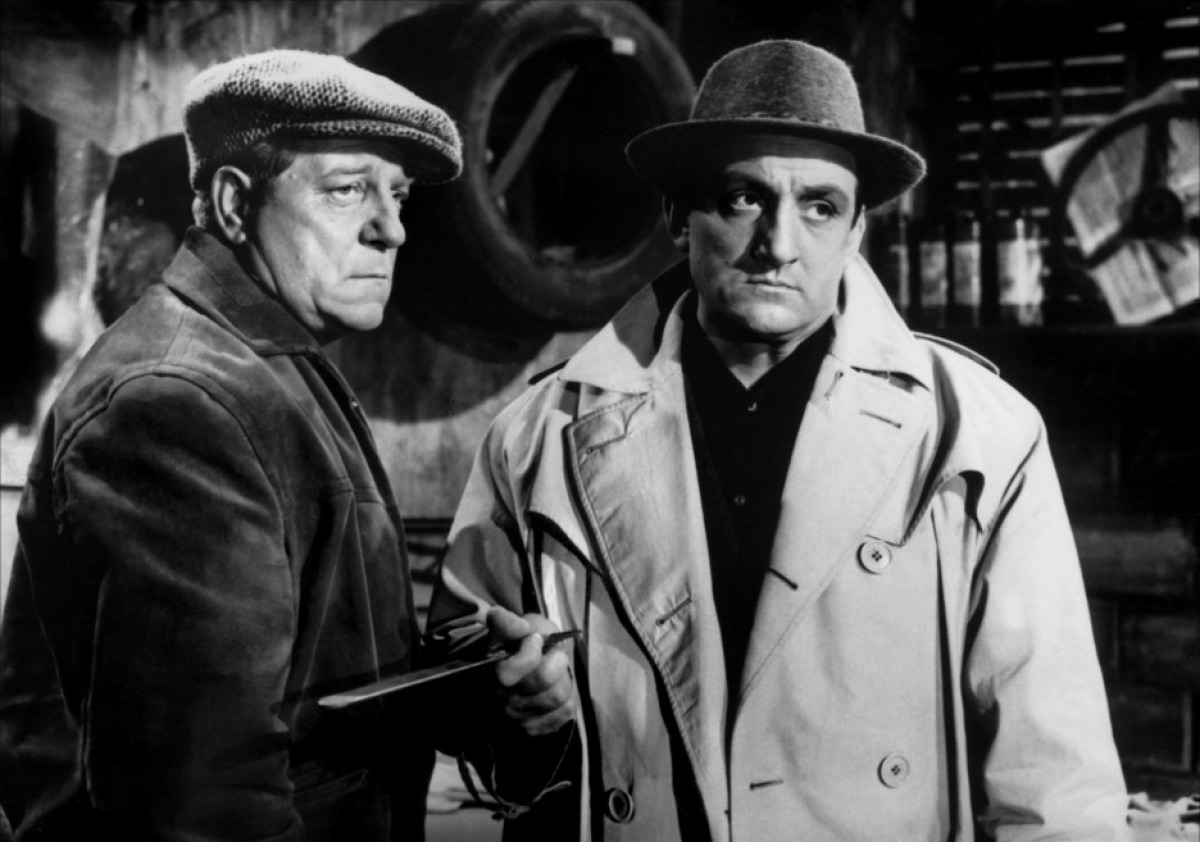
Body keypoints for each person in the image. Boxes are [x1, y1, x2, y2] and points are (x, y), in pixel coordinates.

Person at [425, 39, 1130, 840]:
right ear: (677, 217)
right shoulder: (540, 435)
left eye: (820, 206)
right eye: (742, 198)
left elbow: (1054, 774)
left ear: (856, 230)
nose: (780, 244)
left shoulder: (980, 433)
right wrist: (518, 708)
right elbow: (461, 679)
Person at [0, 49, 461, 840]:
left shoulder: (263, 365)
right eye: (348, 189)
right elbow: (205, 805)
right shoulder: (180, 401)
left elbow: (307, 680)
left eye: (398, 195)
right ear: (235, 203)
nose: (392, 229)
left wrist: (472, 684)